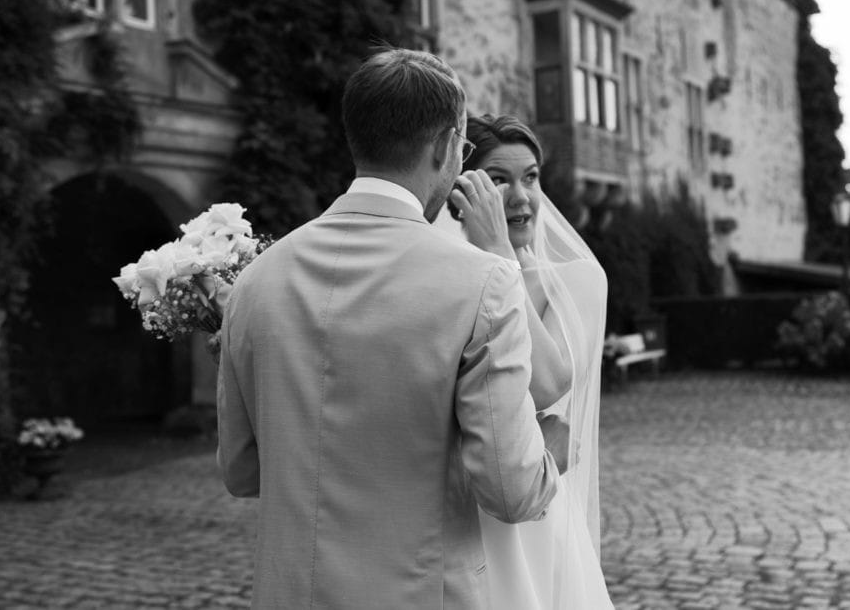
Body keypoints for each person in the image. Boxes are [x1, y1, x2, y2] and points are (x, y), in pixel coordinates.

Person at [216, 49, 561, 609]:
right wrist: (549, 451)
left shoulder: (255, 281)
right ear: (446, 145)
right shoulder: (484, 282)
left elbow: (240, 470)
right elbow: (511, 491)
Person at [436, 114, 613, 608]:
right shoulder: (442, 277)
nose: (521, 197)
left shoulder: (578, 279)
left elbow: (548, 383)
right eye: (498, 180)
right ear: (461, 192)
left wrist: (498, 252)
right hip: (451, 506)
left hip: (531, 510)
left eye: (530, 177)